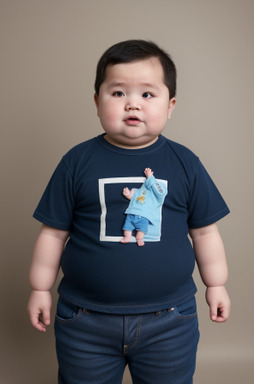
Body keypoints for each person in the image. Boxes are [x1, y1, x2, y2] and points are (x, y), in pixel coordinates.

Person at [28, 40, 231, 384]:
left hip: (170, 320)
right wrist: (39, 289)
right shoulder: (76, 162)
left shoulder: (185, 164)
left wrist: (217, 284)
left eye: (148, 95)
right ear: (97, 103)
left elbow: (205, 231)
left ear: (171, 106)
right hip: (85, 320)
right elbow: (53, 232)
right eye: (118, 93)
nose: (133, 104)